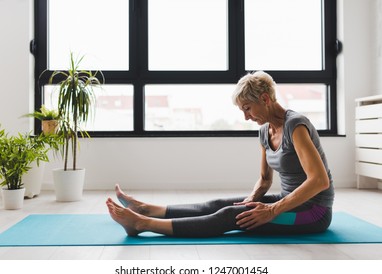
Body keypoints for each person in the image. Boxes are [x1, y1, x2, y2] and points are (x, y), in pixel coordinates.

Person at [106, 71, 335, 237]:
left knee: (228, 216)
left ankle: (143, 224)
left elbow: (319, 180)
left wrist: (272, 210)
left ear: (265, 99)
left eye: (247, 108)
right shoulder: (265, 130)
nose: (246, 117)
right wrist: (252, 199)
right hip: (290, 202)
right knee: (220, 203)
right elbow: (265, 179)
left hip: (313, 212)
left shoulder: (296, 125)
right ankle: (146, 209)